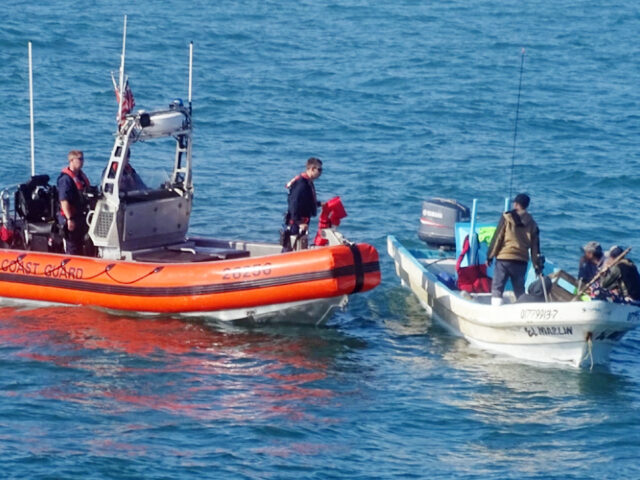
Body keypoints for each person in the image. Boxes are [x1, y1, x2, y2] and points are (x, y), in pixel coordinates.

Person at [486, 193, 541, 305]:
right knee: (519, 290)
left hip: (504, 259)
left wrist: (490, 256)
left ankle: (496, 311)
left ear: (516, 204)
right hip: (521, 261)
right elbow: (535, 248)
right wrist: (537, 266)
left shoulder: (507, 217)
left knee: (498, 287)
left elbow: (498, 238)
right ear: (526, 206)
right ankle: (520, 312)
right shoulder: (532, 223)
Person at [282, 157, 323, 250]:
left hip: (303, 221)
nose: (321, 173)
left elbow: (306, 201)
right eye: (319, 170)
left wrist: (319, 204)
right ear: (312, 169)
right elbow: (294, 203)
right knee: (290, 247)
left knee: (299, 246)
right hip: (295, 223)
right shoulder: (301, 184)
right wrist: (299, 222)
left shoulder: (308, 182)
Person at [57, 150, 91, 255]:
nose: (82, 161)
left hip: (81, 215)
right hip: (70, 216)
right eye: (80, 159)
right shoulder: (66, 180)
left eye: (83, 159)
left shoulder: (81, 177)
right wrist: (69, 219)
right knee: (72, 245)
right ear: (72, 160)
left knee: (82, 243)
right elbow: (63, 201)